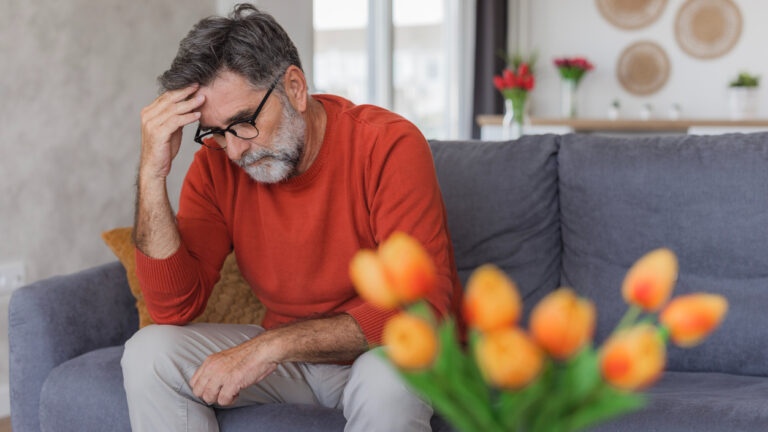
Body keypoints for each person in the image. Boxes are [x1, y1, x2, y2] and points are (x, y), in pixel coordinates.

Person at [121, 4, 462, 432]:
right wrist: (152, 174)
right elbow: (172, 307)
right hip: (292, 363)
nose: (234, 151)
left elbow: (421, 309)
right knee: (148, 353)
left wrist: (271, 347)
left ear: (295, 88)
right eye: (216, 132)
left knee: (387, 382)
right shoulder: (217, 164)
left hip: (382, 354)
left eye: (243, 122)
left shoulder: (388, 145)